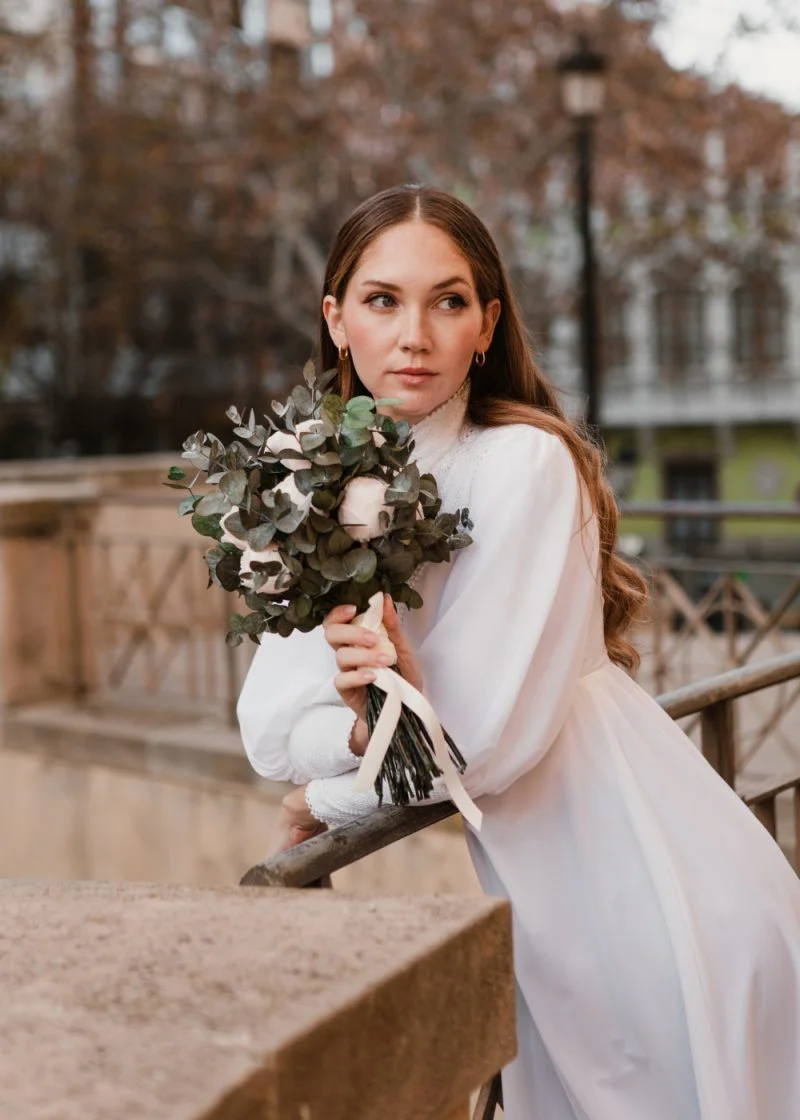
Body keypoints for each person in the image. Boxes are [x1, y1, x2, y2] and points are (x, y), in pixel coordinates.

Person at [237, 185, 800, 1120]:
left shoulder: (523, 463)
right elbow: (268, 726)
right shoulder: (326, 486)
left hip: (634, 877)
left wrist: (322, 795)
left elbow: (483, 745)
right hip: (542, 905)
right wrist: (364, 716)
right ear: (336, 320)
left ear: (487, 324)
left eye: (448, 301)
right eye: (382, 300)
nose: (414, 334)